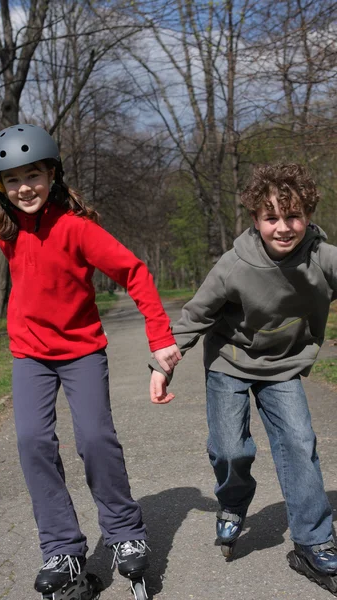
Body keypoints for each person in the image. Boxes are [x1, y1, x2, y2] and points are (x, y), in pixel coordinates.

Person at [0, 123, 181, 600]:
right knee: (33, 441)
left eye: (33, 175)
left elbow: (133, 270)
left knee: (94, 438)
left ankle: (125, 532)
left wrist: (160, 336)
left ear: (53, 174)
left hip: (82, 351)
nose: (24, 187)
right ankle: (62, 547)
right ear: (0, 187)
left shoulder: (77, 229)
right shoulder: (4, 229)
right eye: (12, 180)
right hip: (29, 355)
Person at [149, 163, 337, 593]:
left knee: (299, 442)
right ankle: (233, 504)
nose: (284, 228)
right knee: (230, 449)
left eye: (293, 216)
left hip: (283, 366)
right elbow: (195, 315)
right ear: (255, 220)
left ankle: (315, 539)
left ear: (307, 215)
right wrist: (162, 366)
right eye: (272, 218)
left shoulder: (322, 257)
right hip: (229, 363)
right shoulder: (234, 265)